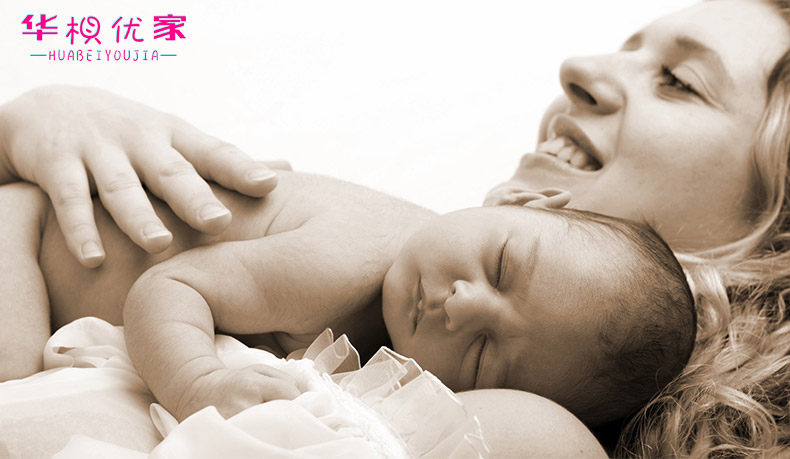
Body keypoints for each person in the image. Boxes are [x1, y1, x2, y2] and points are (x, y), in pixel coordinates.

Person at [2, 0, 790, 455]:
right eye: (504, 261)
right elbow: (170, 285)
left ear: (775, 230)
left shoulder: (530, 423)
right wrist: (34, 124)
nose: (579, 69)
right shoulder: (377, 250)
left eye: (678, 81)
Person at [1, 170, 695, 431]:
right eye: (501, 266)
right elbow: (167, 286)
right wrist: (197, 383)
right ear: (524, 201)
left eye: (483, 353)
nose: (460, 305)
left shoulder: (397, 333)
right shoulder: (348, 260)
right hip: (26, 231)